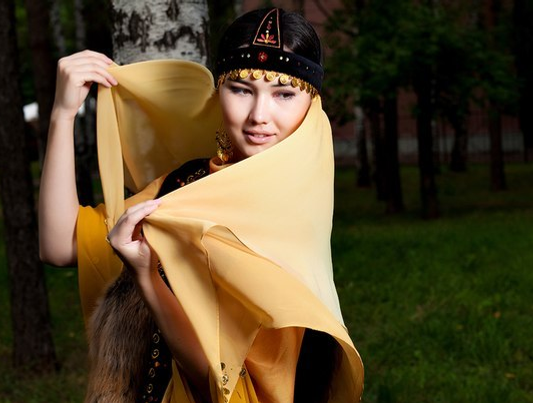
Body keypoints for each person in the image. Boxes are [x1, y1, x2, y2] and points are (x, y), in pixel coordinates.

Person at [39, 7, 363, 403]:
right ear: (218, 90)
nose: (259, 116)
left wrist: (147, 277)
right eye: (241, 89)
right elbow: (60, 245)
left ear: (311, 103)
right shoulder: (187, 181)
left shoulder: (292, 213)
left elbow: (224, 387)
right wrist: (63, 115)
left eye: (284, 93)